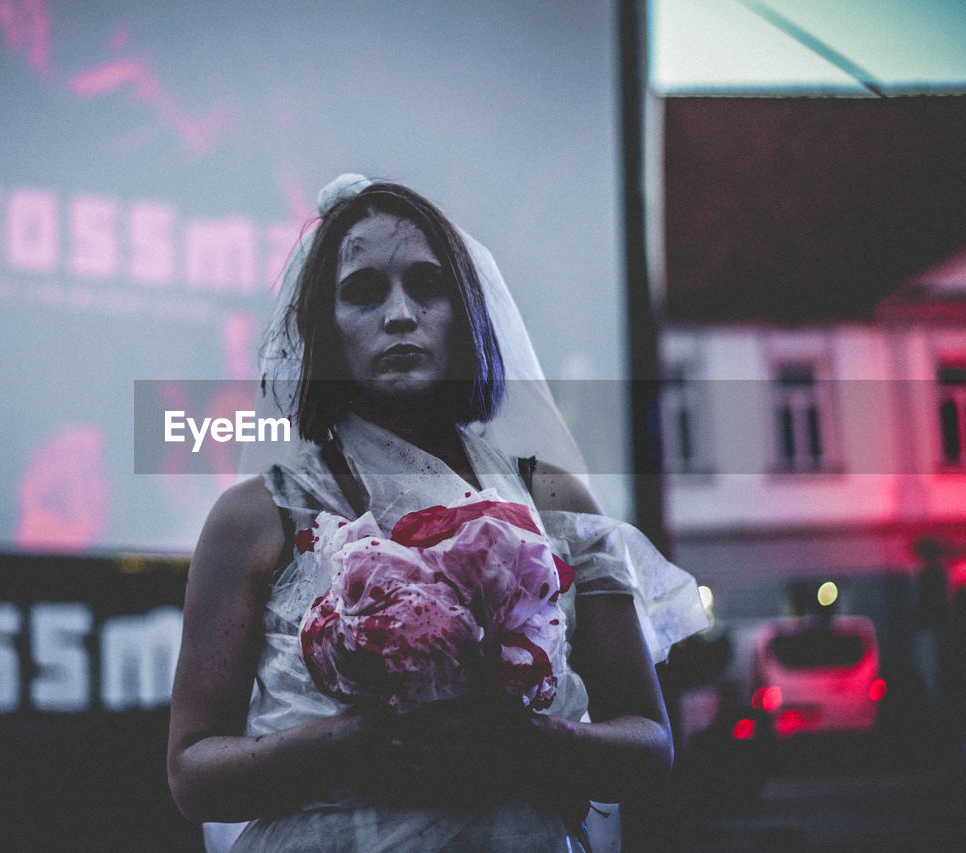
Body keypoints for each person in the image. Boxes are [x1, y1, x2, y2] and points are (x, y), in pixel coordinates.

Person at [167, 176, 709, 851]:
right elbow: (193, 774)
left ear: (467, 314)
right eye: (363, 292)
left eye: (428, 286)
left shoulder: (556, 503)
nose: (400, 314)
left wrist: (534, 740)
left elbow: (649, 745)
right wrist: (353, 740)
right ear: (322, 328)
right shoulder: (253, 519)